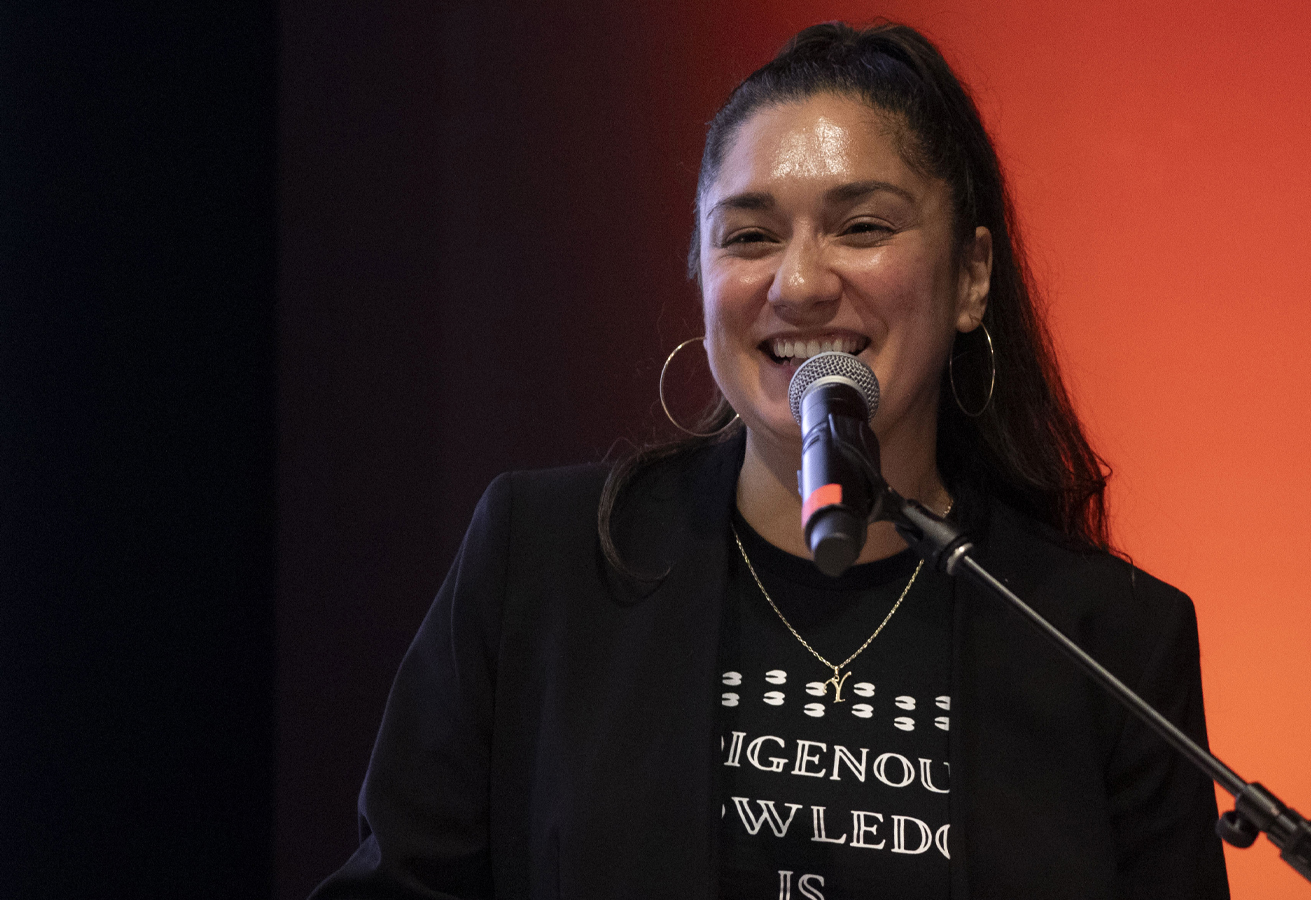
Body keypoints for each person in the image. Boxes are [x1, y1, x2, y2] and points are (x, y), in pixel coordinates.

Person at [313, 21, 1230, 900]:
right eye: (749, 236)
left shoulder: (1109, 642)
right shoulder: (543, 563)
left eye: (862, 228)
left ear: (971, 276)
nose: (799, 284)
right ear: (703, 276)